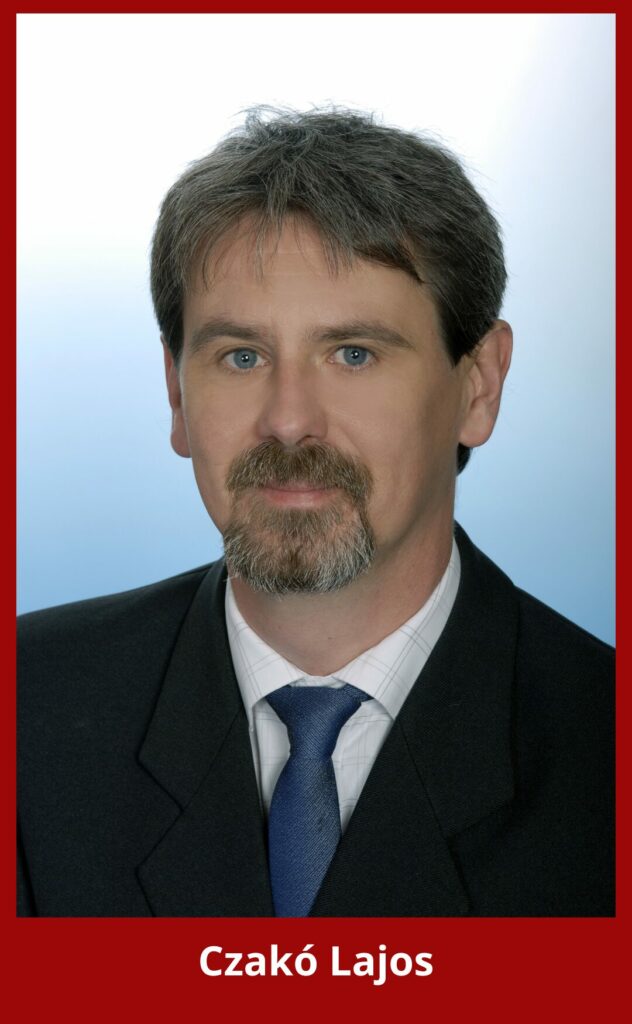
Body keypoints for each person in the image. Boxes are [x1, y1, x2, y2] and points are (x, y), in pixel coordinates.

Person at [17, 108, 614, 917]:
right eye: (242, 356)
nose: (289, 419)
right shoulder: (28, 713)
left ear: (478, 386)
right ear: (177, 395)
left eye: (354, 354)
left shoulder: (602, 749)